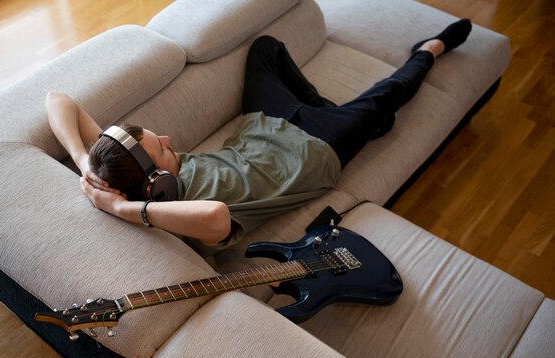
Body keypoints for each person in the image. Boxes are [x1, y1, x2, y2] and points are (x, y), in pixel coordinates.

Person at [46, 19, 472, 252]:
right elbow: (216, 219)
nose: (171, 141)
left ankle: (323, 105)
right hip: (320, 148)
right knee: (389, 94)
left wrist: (85, 163)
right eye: (163, 148)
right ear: (155, 183)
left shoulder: (132, 168)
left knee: (266, 47)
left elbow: (57, 99)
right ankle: (431, 48)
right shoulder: (176, 207)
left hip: (262, 125)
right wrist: (121, 210)